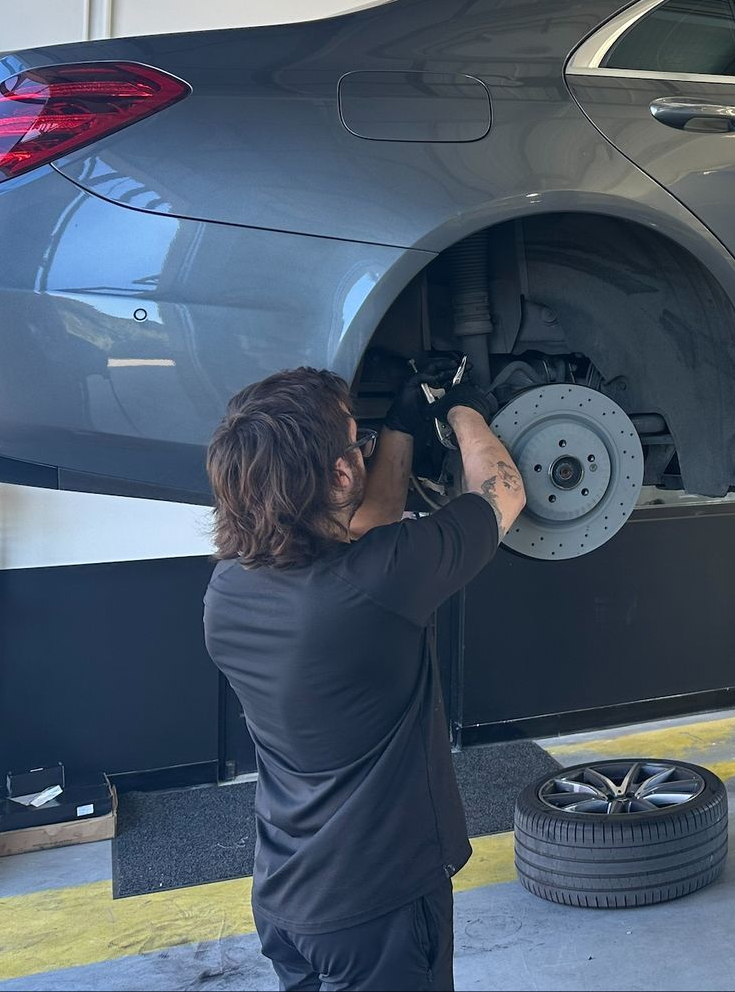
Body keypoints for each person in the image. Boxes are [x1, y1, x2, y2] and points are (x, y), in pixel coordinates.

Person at [202, 364, 524, 992]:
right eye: (359, 442)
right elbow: (502, 495)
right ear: (343, 474)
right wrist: (466, 412)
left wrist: (399, 428)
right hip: (378, 908)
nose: (364, 450)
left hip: (287, 902)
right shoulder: (375, 584)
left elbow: (363, 532)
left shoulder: (227, 590)